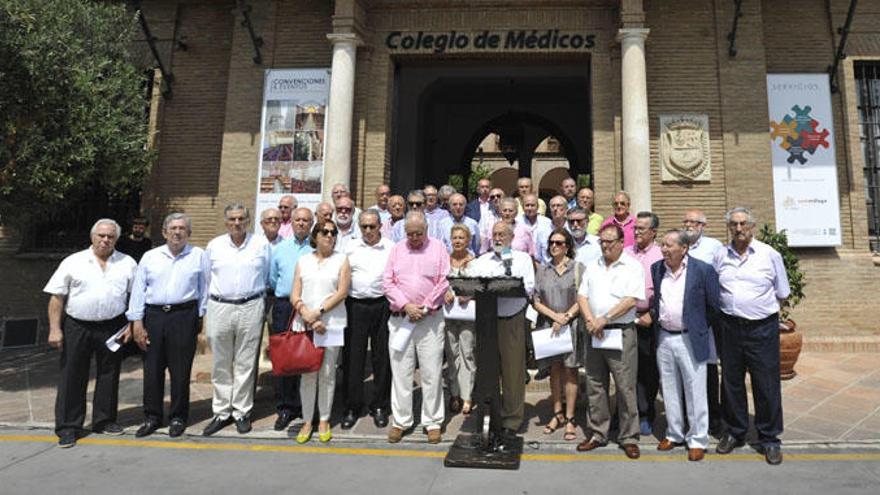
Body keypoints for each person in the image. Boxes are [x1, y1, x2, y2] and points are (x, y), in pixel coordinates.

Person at [44, 219, 136, 448]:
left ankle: (104, 420)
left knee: (109, 373)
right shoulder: (73, 262)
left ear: (116, 239)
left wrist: (133, 326)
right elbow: (56, 297)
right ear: (92, 236)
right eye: (101, 236)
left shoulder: (128, 263)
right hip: (77, 325)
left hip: (113, 325)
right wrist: (55, 329)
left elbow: (136, 298)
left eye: (110, 237)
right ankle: (68, 427)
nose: (105, 240)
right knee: (72, 375)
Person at [714, 207, 790, 465]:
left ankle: (769, 438)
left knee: (766, 383)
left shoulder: (770, 255)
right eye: (733, 224)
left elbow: (782, 292)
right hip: (729, 327)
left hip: (762, 328)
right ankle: (735, 432)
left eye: (743, 224)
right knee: (732, 382)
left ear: (752, 226)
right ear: (729, 227)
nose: (738, 229)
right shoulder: (720, 256)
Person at [128, 213, 208, 438]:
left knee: (180, 370)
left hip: (184, 315)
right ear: (164, 232)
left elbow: (205, 288)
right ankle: (152, 417)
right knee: (152, 369)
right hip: (154, 316)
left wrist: (200, 317)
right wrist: (137, 322)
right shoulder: (150, 256)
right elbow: (138, 290)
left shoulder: (198, 255)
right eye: (172, 228)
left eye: (182, 228)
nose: (177, 232)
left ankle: (178, 417)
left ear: (188, 233)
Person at [576, 224, 645, 459]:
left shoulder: (632, 266)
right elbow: (582, 295)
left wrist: (604, 319)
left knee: (625, 386)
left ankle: (628, 437)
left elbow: (631, 300)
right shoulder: (593, 266)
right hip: (595, 332)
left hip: (619, 332)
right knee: (595, 384)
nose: (604, 245)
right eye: (602, 242)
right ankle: (597, 433)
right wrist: (590, 320)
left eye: (609, 242)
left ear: (620, 242)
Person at [651, 229, 720, 462]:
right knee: (669, 388)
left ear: (684, 248)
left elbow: (713, 307)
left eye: (669, 245)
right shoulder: (657, 269)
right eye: (662, 245)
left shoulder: (703, 270)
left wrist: (698, 328)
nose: (664, 249)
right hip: (664, 337)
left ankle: (698, 439)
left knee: (695, 389)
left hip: (691, 338)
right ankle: (674, 433)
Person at [202, 204, 270, 436]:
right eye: (232, 219)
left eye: (241, 218)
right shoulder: (214, 246)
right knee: (221, 362)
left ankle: (242, 411)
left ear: (248, 221)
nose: (237, 223)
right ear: (226, 222)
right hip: (219, 306)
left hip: (251, 305)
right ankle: (221, 411)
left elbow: (267, 275)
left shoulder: (260, 245)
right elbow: (205, 278)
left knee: (246, 362)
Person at [382, 212, 450, 444]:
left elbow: (444, 280)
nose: (414, 238)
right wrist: (406, 305)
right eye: (410, 234)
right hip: (401, 319)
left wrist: (425, 306)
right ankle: (401, 421)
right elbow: (387, 282)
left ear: (426, 230)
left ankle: (432, 421)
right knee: (401, 372)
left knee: (432, 373)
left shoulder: (439, 248)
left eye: (418, 234)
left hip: (429, 319)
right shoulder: (397, 249)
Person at [469, 221, 535, 444]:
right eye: (495, 234)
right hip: (486, 321)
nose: (498, 238)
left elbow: (529, 288)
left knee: (512, 372)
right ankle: (489, 415)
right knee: (487, 370)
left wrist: (505, 286)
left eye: (502, 234)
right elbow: (472, 286)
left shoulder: (522, 259)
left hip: (511, 319)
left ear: (511, 236)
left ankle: (511, 420)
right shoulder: (481, 261)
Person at [290, 219, 351, 443]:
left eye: (333, 232)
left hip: (331, 324)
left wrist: (319, 312)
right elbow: (294, 293)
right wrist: (306, 313)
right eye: (324, 232)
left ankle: (324, 418)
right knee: (307, 374)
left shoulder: (342, 260)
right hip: (304, 322)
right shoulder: (303, 260)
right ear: (315, 236)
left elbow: (342, 292)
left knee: (328, 373)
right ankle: (308, 420)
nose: (329, 236)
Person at [341, 210, 394, 430]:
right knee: (353, 358)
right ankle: (353, 406)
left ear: (380, 226)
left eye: (372, 226)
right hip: (356, 306)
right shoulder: (349, 247)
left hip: (383, 305)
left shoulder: (391, 247)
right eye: (364, 227)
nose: (368, 231)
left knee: (382, 357)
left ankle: (380, 406)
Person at [532, 228, 582, 442]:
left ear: (567, 246)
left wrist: (566, 317)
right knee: (555, 370)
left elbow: (584, 297)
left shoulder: (578, 268)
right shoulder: (543, 270)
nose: (554, 246)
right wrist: (555, 317)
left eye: (559, 243)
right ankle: (557, 413)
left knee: (571, 371)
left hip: (571, 326)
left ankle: (570, 418)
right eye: (551, 242)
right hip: (549, 326)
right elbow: (535, 300)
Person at [267, 207, 314, 431]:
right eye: (298, 220)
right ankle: (286, 406)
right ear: (291, 222)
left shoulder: (317, 248)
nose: (302, 224)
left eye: (306, 220)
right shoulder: (280, 249)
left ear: (311, 223)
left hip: (310, 307)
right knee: (285, 356)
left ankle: (306, 406)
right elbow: (273, 279)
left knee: (307, 356)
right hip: (285, 305)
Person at [682, 209, 725, 435]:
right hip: (683, 320)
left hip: (706, 318)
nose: (689, 225)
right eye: (686, 221)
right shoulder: (679, 244)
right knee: (687, 369)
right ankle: (690, 417)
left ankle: (714, 416)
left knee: (707, 367)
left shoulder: (714, 248)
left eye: (693, 222)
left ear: (703, 226)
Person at [631, 211, 664, 436]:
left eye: (641, 229)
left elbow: (667, 290)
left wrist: (652, 314)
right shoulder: (625, 253)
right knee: (625, 370)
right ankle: (624, 413)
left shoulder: (662, 255)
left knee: (647, 371)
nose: (636, 232)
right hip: (623, 319)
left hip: (648, 319)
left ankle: (645, 414)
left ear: (653, 232)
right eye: (635, 228)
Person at [443, 224, 477, 416]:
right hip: (448, 314)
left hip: (466, 315)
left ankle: (468, 395)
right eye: (454, 238)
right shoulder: (444, 260)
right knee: (452, 353)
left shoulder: (474, 262)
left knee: (467, 353)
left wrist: (469, 296)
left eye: (461, 238)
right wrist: (445, 292)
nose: (457, 241)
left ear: (468, 240)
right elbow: (438, 282)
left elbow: (480, 287)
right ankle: (454, 393)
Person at [521, 193, 553, 265]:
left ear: (537, 206)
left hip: (544, 265)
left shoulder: (547, 223)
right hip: (523, 265)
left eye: (532, 205)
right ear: (523, 207)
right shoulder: (518, 222)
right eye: (527, 205)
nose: (529, 208)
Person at [477, 188, 504, 253]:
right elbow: (481, 235)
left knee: (507, 263)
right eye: (492, 197)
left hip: (507, 249)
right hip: (491, 252)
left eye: (498, 196)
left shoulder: (509, 213)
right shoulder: (486, 215)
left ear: (504, 197)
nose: (496, 198)